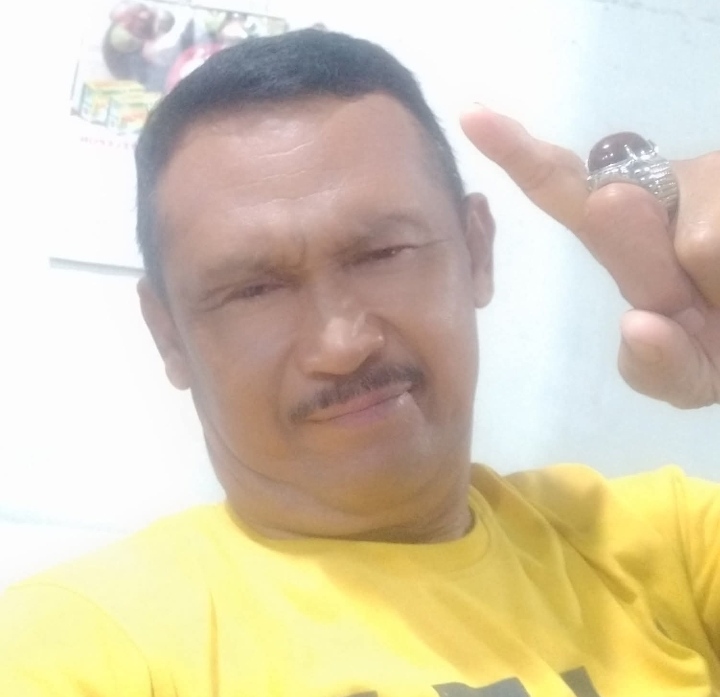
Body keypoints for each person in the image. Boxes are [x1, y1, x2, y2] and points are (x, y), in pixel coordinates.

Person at [1, 28, 719, 696]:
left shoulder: (665, 547)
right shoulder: (79, 644)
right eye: (253, 289)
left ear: (475, 251)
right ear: (169, 335)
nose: (341, 343)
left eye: (382, 253)